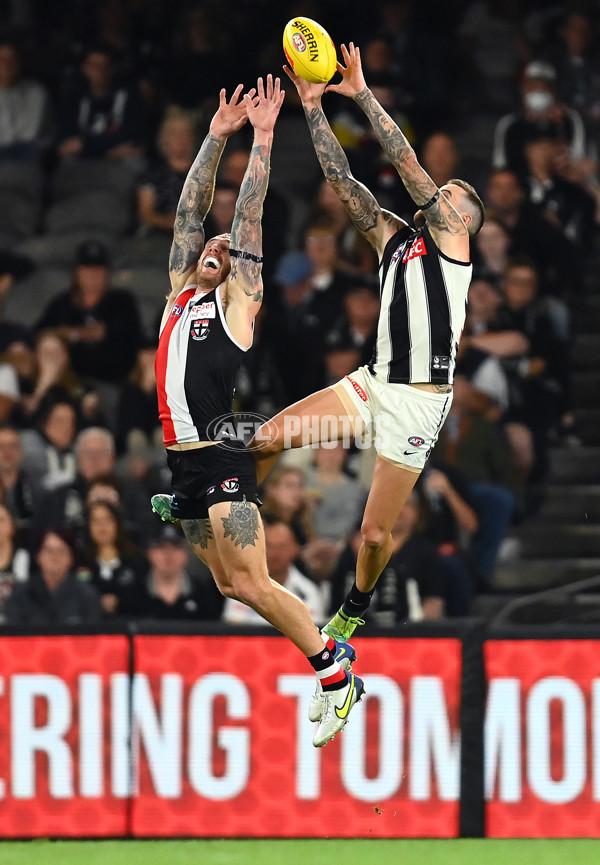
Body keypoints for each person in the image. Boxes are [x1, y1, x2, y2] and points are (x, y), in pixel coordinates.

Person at [150, 78, 363, 748]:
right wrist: (214, 136)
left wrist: (263, 138)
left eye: (221, 247)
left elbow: (247, 218)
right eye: (206, 247)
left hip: (219, 451)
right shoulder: (180, 293)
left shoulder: (235, 301)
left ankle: (334, 668)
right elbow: (190, 211)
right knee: (226, 582)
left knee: (251, 577)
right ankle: (330, 660)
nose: (213, 246)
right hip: (181, 462)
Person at [248, 43, 484, 643]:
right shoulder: (396, 239)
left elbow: (406, 164)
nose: (442, 193)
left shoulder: (456, 243)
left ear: (462, 217)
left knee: (374, 536)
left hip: (418, 401)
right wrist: (312, 106)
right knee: (265, 439)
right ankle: (230, 518)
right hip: (374, 381)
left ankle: (354, 608)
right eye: (447, 191)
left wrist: (360, 93)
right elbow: (339, 178)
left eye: (451, 193)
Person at [6, 529, 102, 625]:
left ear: (71, 558)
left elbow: (92, 634)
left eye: (61, 551)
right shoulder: (21, 593)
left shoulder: (87, 594)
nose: (55, 557)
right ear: (38, 556)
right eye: (49, 551)